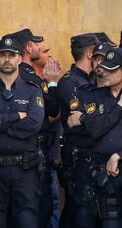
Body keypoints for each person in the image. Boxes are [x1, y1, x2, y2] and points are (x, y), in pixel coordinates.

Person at [67, 48, 122, 228]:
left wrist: (119, 156)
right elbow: (94, 129)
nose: (104, 73)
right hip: (106, 173)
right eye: (104, 68)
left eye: (111, 70)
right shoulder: (95, 96)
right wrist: (120, 105)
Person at [10, 28, 60, 227]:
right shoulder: (29, 79)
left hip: (33, 154)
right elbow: (50, 113)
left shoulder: (32, 78)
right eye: (41, 48)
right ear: (29, 48)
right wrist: (53, 84)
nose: (44, 51)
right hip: (33, 153)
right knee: (39, 208)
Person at [56, 33, 100, 227]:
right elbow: (81, 120)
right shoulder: (69, 82)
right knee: (79, 210)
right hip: (78, 157)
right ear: (90, 54)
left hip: (96, 155)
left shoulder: (97, 79)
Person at [0, 36, 44, 228]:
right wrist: (16, 116)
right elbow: (25, 122)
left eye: (12, 55)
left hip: (25, 171)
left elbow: (34, 124)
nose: (7, 59)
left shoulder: (32, 90)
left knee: (26, 221)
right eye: (3, 55)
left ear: (20, 58)